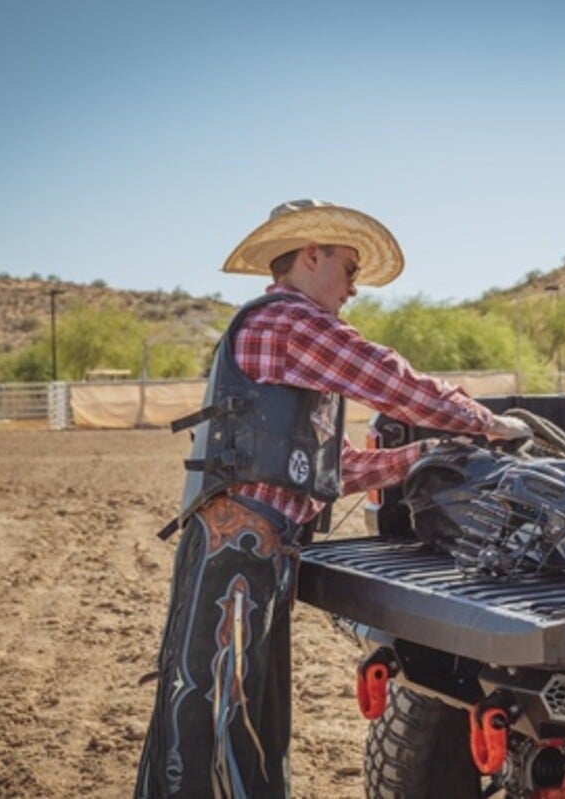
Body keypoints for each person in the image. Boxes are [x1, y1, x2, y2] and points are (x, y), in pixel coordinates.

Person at [133, 199, 531, 798]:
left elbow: (331, 468)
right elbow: (387, 378)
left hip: (251, 555)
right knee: (216, 719)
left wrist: (420, 457)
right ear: (311, 255)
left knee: (244, 718)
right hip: (238, 555)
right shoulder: (288, 322)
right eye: (348, 268)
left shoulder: (290, 341)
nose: (352, 288)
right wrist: (480, 421)